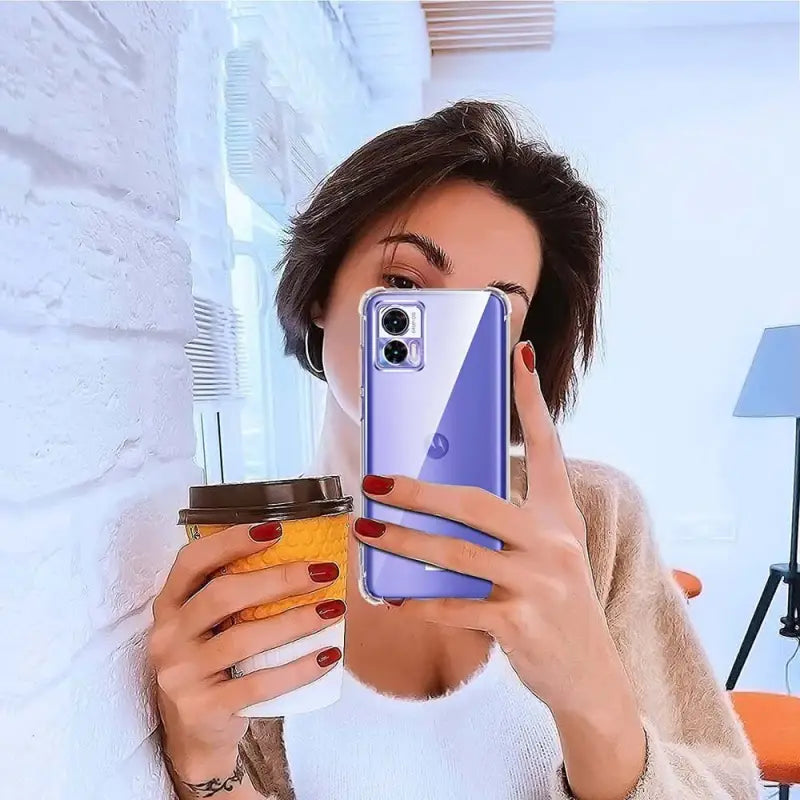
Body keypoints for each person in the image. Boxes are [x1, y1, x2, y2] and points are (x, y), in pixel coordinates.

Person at [149, 101, 760, 800]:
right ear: (322, 291)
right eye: (406, 289)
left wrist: (594, 698)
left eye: (490, 311)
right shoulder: (260, 556)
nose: (445, 346)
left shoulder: (594, 522)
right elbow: (221, 769)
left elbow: (726, 787)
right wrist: (206, 769)